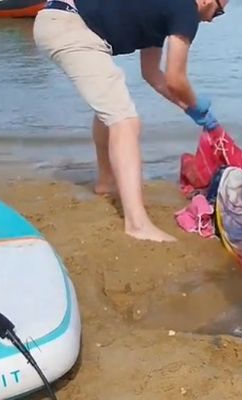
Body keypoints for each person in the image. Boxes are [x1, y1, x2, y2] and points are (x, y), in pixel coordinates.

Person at [33, 0, 228, 242]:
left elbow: (153, 75)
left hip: (62, 21)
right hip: (71, 26)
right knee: (125, 121)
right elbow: (177, 79)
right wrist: (197, 105)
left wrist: (188, 108)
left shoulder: (164, 9)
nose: (211, 19)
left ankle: (106, 182)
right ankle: (137, 224)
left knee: (109, 107)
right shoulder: (186, 8)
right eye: (218, 12)